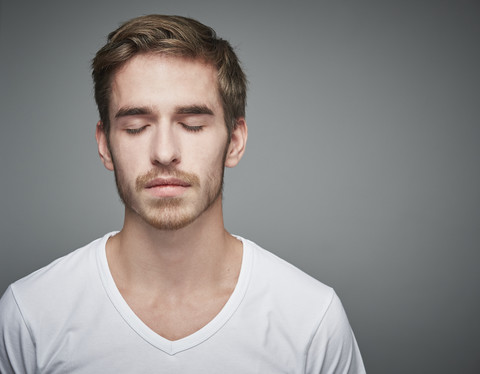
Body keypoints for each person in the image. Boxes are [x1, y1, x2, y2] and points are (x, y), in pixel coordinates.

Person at [0, 15, 365, 373]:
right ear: (105, 145)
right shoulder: (31, 315)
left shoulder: (311, 320)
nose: (164, 152)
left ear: (235, 142)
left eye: (192, 125)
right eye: (136, 127)